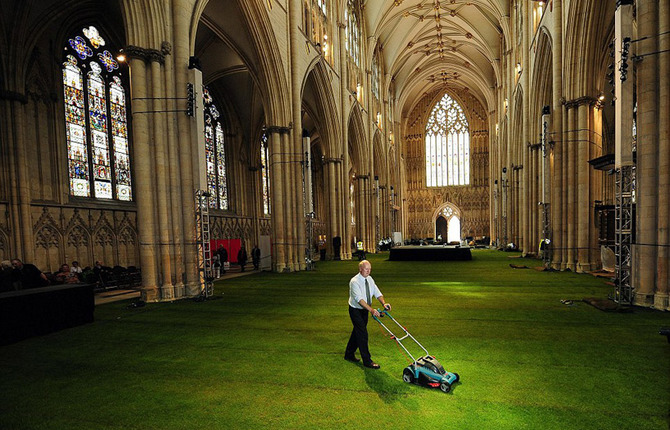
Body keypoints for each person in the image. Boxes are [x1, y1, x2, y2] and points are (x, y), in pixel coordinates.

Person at [344, 259, 391, 369]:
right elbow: (359, 299)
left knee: (357, 332)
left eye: (370, 269)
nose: (368, 271)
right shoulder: (354, 281)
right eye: (366, 269)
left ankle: (349, 354)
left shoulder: (370, 279)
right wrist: (372, 310)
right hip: (355, 310)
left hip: (365, 310)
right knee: (362, 334)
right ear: (360, 269)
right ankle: (367, 361)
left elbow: (377, 292)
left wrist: (384, 303)